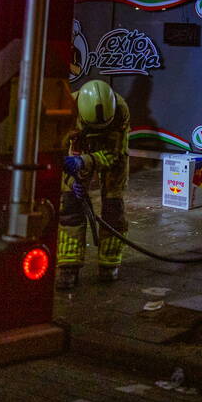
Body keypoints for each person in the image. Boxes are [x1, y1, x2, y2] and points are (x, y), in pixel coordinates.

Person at [56, 79, 131, 291]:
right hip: (76, 153)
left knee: (114, 208)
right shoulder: (67, 109)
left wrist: (85, 161)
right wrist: (71, 181)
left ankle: (109, 264)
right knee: (69, 207)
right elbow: (58, 153)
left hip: (108, 152)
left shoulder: (121, 110)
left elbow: (114, 155)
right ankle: (68, 267)